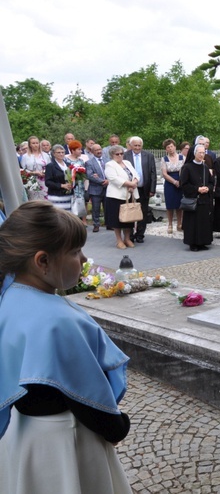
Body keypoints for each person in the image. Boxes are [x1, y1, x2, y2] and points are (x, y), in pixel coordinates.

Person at [0, 200, 132, 494]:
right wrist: (118, 425)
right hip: (64, 445)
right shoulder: (58, 320)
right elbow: (86, 396)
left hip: (22, 439)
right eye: (74, 252)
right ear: (42, 261)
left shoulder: (9, 298)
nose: (84, 259)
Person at [104, 145, 139, 249]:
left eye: (121, 153)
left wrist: (134, 182)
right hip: (116, 196)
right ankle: (119, 240)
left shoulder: (127, 163)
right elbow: (113, 179)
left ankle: (127, 239)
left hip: (130, 194)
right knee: (117, 219)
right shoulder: (109, 164)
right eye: (117, 154)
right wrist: (130, 184)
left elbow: (136, 174)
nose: (120, 156)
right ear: (112, 155)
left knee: (129, 218)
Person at [180, 145, 214, 252]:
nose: (201, 154)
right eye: (199, 152)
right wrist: (197, 189)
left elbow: (211, 182)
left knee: (204, 221)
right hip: (193, 199)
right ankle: (193, 243)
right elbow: (184, 185)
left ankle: (203, 241)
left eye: (203, 152)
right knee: (192, 223)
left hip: (204, 199)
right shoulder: (187, 167)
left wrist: (207, 188)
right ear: (194, 153)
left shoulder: (205, 167)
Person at [124, 136, 156, 243]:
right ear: (131, 145)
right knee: (131, 211)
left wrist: (152, 189)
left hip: (144, 188)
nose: (137, 148)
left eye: (139, 145)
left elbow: (153, 173)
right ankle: (130, 235)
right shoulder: (125, 155)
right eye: (135, 145)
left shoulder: (149, 156)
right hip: (131, 190)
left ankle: (140, 234)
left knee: (143, 212)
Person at [160, 139, 185, 234]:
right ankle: (170, 224)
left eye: (171, 146)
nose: (170, 149)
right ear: (166, 149)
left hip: (181, 181)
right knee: (170, 204)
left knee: (180, 204)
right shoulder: (164, 159)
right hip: (170, 183)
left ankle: (179, 223)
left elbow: (185, 169)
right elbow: (164, 174)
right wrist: (174, 182)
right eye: (168, 147)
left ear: (175, 146)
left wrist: (181, 180)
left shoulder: (182, 157)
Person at [85, 144, 109, 233]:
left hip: (107, 188)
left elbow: (112, 172)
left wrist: (108, 180)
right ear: (92, 152)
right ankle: (96, 225)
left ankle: (109, 224)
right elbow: (90, 175)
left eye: (100, 149)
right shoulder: (89, 162)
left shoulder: (108, 160)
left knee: (107, 207)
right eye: (96, 150)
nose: (99, 151)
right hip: (96, 189)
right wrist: (103, 181)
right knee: (96, 208)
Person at [65, 140, 89, 226]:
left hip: (80, 183)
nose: (80, 151)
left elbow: (84, 171)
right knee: (72, 201)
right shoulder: (66, 160)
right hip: (71, 183)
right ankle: (73, 220)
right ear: (73, 150)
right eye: (78, 149)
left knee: (82, 201)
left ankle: (84, 220)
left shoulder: (81, 160)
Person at [20, 136, 50, 200]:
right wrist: (34, 172)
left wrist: (44, 172)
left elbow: (49, 166)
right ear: (30, 145)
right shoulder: (25, 156)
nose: (35, 145)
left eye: (37, 143)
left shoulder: (45, 155)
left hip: (44, 179)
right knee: (34, 199)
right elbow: (24, 170)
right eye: (33, 143)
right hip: (31, 181)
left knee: (46, 198)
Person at [44, 144, 73, 211]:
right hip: (56, 195)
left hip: (69, 195)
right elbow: (48, 182)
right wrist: (61, 185)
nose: (61, 154)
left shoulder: (68, 165)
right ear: (54, 154)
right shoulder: (50, 166)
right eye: (58, 152)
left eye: (62, 152)